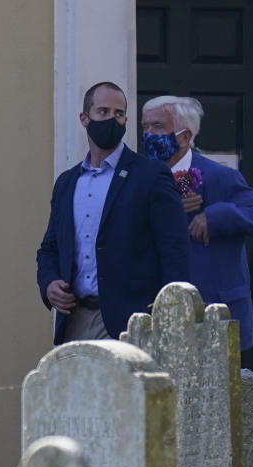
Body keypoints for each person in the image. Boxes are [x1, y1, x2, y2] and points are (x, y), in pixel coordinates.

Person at [37, 81, 190, 344]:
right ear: (85, 119)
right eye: (103, 112)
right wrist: (50, 283)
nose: (112, 119)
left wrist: (171, 320)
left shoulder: (150, 176)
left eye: (119, 114)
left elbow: (174, 250)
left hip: (133, 324)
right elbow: (50, 247)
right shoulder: (67, 182)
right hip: (75, 319)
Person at [140, 96, 253, 351]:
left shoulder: (220, 176)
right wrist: (169, 213)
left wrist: (216, 216)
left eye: (157, 127)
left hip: (213, 313)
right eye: (144, 127)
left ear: (184, 136)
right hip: (157, 313)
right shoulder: (139, 177)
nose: (148, 134)